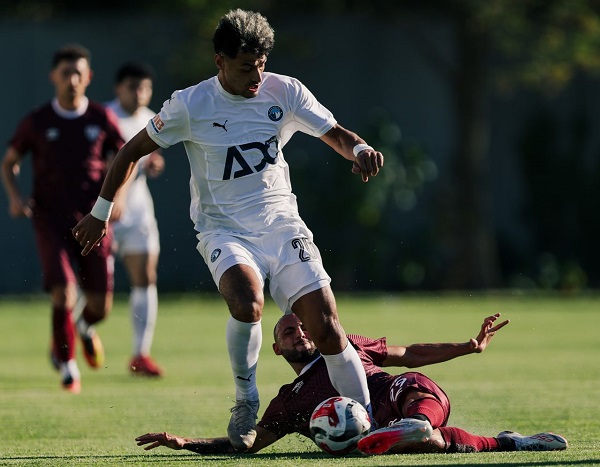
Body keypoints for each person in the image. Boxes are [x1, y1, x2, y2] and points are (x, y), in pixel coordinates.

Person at [71, 9, 384, 449]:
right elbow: (129, 152)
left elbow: (335, 133)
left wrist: (361, 149)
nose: (256, 76)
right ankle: (245, 398)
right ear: (220, 61)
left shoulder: (285, 90)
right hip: (224, 230)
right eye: (245, 67)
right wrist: (100, 212)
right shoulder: (190, 105)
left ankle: (368, 426)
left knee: (329, 329)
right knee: (247, 301)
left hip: (282, 225)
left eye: (261, 65)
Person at [134, 313, 568, 456]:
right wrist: (184, 442)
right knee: (432, 444)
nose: (301, 333)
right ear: (277, 349)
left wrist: (469, 346)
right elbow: (248, 443)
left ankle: (415, 424)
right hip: (377, 434)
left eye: (304, 326)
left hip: (396, 396)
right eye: (289, 332)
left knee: (409, 389)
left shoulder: (346, 346)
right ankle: (509, 442)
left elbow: (409, 353)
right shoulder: (289, 401)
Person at [1, 44, 124, 394]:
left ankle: (83, 328)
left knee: (100, 307)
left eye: (78, 73)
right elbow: (9, 163)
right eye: (65, 73)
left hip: (93, 219)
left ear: (89, 77)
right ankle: (68, 367)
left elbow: (124, 158)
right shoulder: (38, 120)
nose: (72, 79)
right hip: (50, 219)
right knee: (63, 292)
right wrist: (15, 197)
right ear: (53, 76)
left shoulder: (101, 117)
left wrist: (118, 199)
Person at [106, 61, 165, 377]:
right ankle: (74, 335)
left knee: (146, 277)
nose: (139, 93)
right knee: (93, 290)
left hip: (139, 211)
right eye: (133, 87)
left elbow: (151, 157)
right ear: (119, 88)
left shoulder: (152, 118)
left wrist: (155, 164)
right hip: (104, 213)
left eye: (145, 88)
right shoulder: (106, 117)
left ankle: (140, 355)